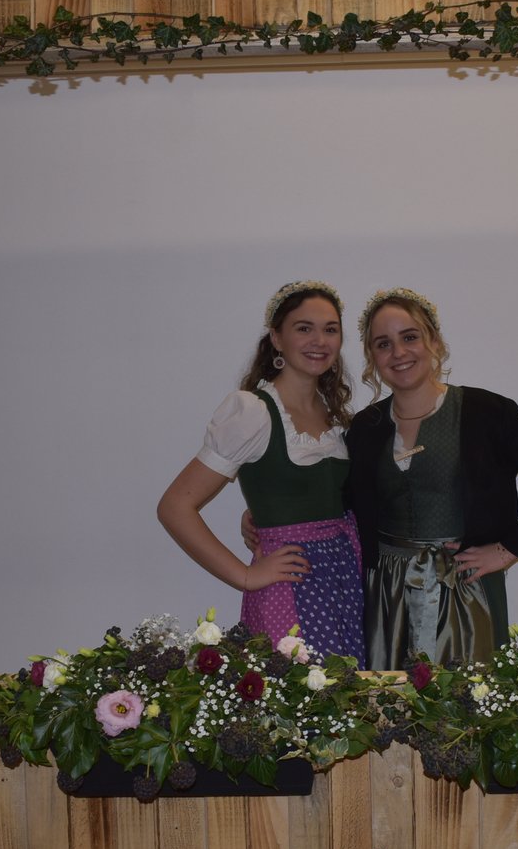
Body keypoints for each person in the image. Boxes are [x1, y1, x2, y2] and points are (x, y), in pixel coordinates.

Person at [347, 288, 518, 669]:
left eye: (410, 337)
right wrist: (262, 519)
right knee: (390, 697)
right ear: (372, 357)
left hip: (464, 589)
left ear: (434, 341)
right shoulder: (365, 427)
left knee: (465, 697)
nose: (399, 352)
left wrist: (507, 550)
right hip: (387, 596)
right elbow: (341, 500)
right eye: (383, 344)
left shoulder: (487, 413)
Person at [157, 281, 366, 660]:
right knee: (299, 689)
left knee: (346, 688)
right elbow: (175, 507)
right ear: (276, 338)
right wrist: (245, 575)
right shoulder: (253, 412)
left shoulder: (334, 414)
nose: (319, 340)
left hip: (343, 580)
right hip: (289, 584)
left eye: (330, 329)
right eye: (304, 328)